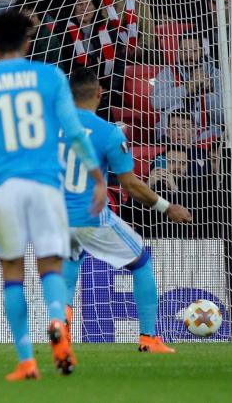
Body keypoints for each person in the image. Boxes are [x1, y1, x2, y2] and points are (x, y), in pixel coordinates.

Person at [0, 10, 106, 381]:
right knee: (51, 264)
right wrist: (97, 176)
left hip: (4, 189)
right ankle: (56, 318)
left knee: (12, 274)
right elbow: (73, 129)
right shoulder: (51, 76)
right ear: (27, 41)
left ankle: (26, 359)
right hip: (46, 185)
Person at [60, 67, 192, 354]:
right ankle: (148, 338)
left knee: (68, 268)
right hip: (91, 215)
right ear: (99, 93)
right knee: (140, 261)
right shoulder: (109, 133)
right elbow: (130, 185)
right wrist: (166, 207)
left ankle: (62, 329)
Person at [152, 33, 224, 142]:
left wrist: (208, 94)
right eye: (184, 51)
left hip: (206, 137)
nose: (189, 56)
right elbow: (155, 102)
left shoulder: (215, 74)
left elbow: (224, 118)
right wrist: (186, 87)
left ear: (202, 52)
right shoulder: (168, 72)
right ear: (177, 53)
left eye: (194, 51)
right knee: (171, 105)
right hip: (173, 138)